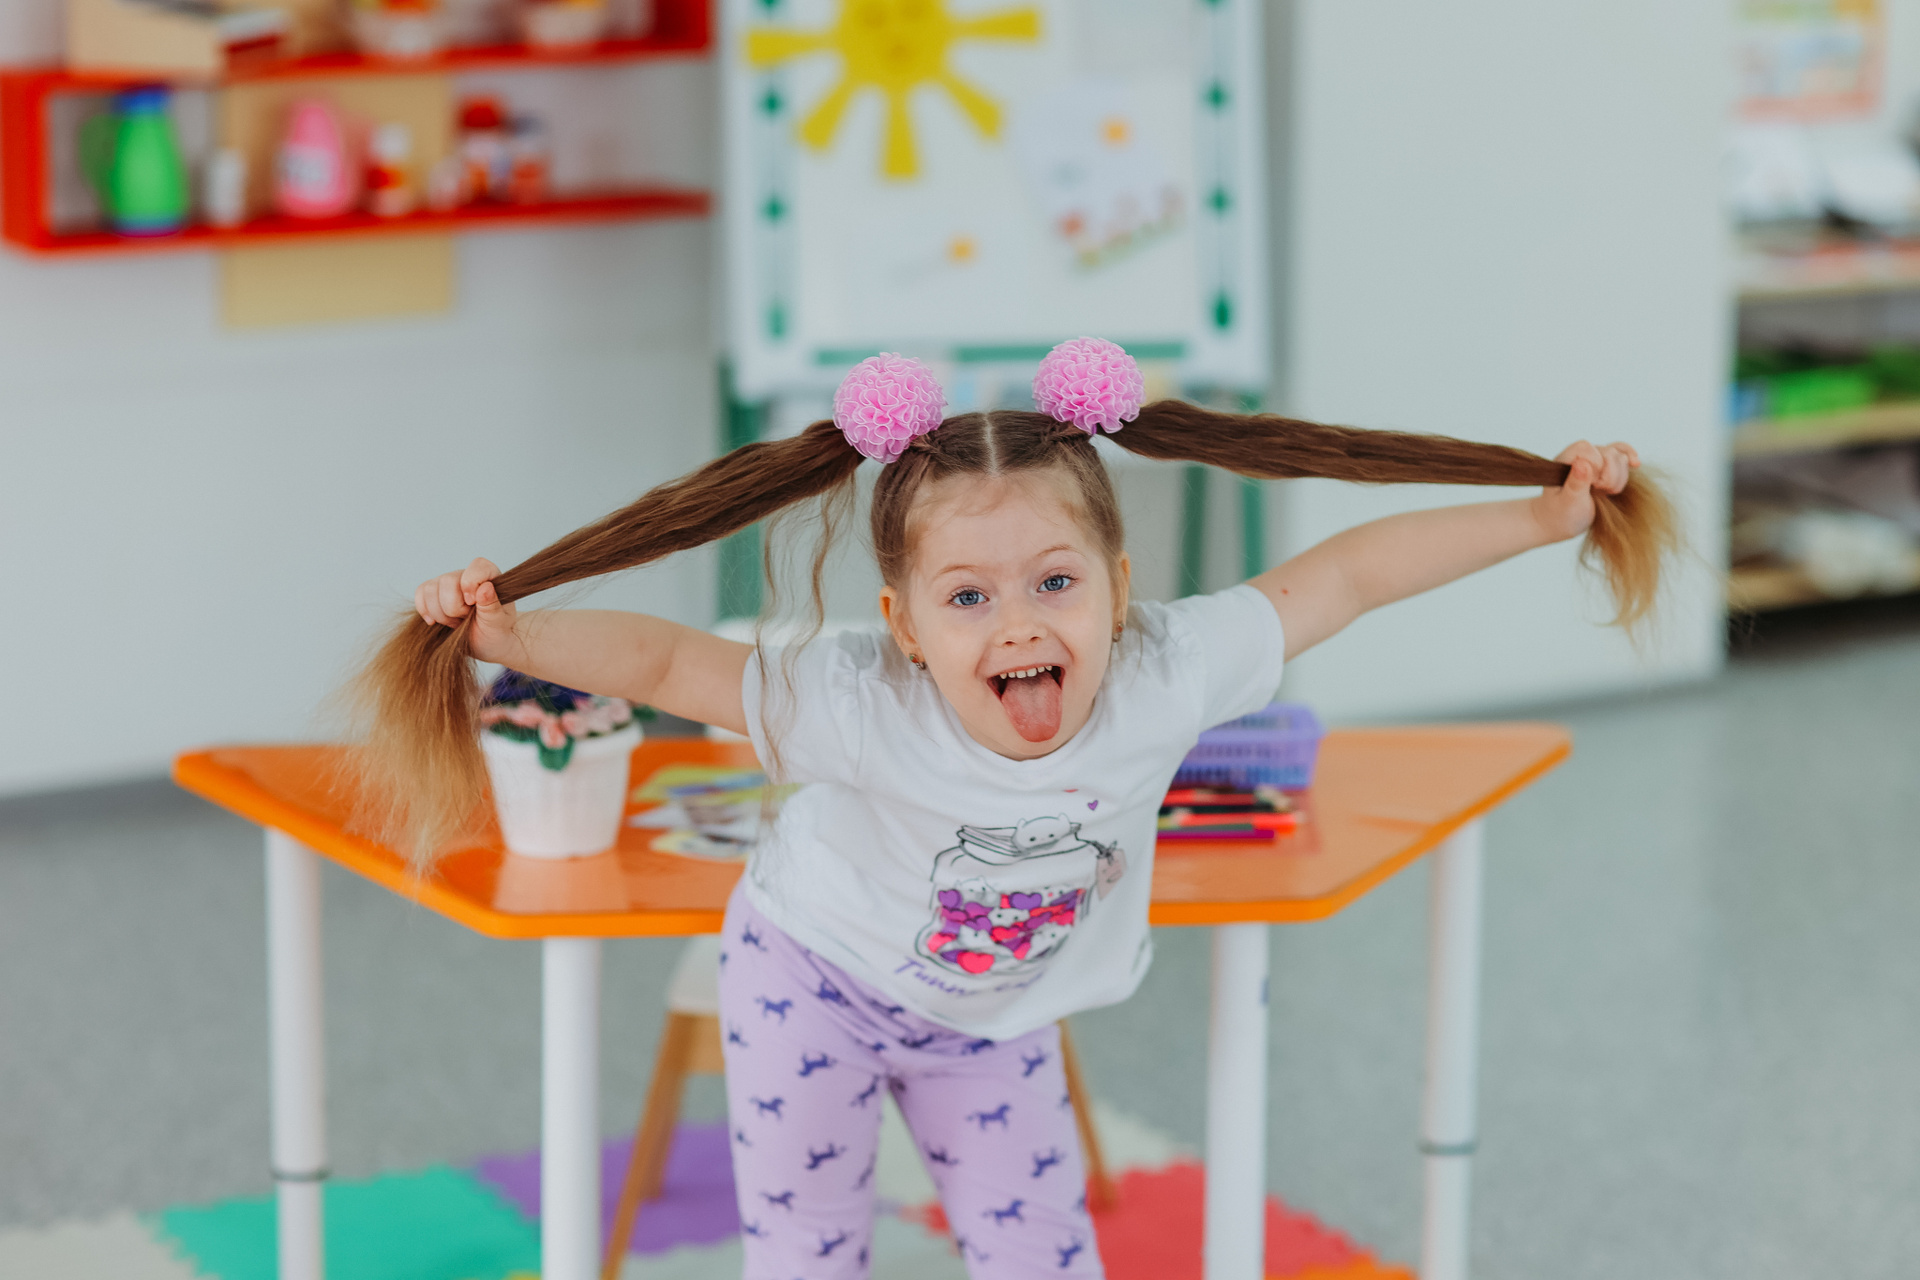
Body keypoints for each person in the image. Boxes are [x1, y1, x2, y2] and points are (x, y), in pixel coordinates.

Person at [366, 338, 1674, 1279]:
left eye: (1055, 582)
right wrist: (511, 636)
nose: (1019, 626)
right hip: (810, 982)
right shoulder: (861, 701)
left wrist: (1540, 517)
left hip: (990, 1023)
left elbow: (1350, 576)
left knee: (1047, 1259)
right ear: (905, 626)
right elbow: (666, 665)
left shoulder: (1167, 671)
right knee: (807, 1256)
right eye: (968, 598)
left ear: (1118, 585)